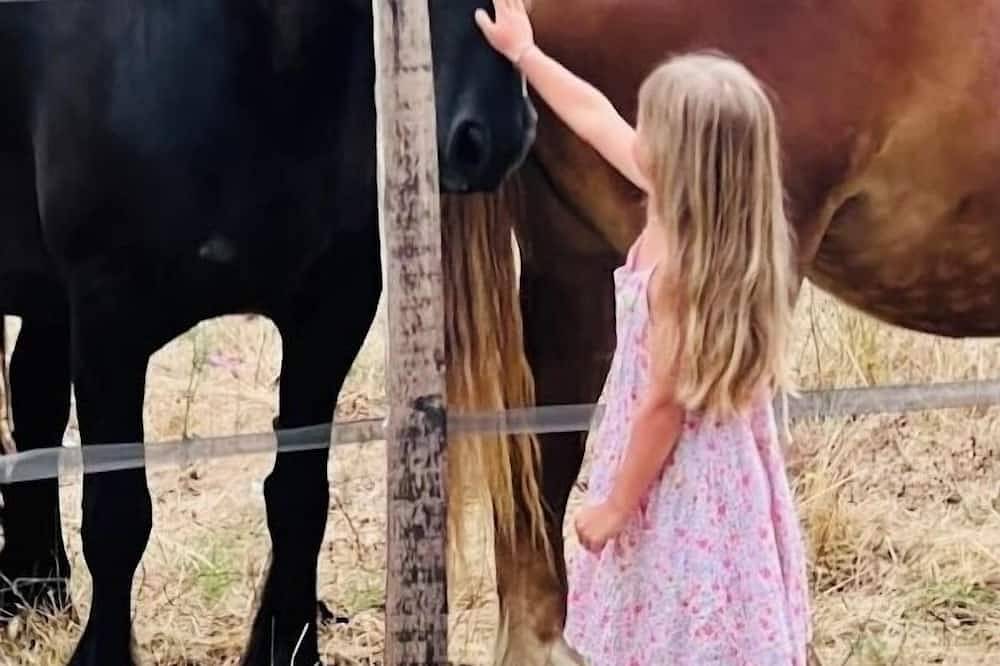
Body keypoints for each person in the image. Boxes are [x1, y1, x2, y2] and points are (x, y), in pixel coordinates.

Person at [476, 2, 811, 664]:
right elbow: (595, 117)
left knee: (682, 618)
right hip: (712, 472)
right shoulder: (708, 225)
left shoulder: (681, 271)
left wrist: (615, 507)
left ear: (681, 159)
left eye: (651, 128)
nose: (637, 135)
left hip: (679, 482)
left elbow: (663, 407)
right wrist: (525, 55)